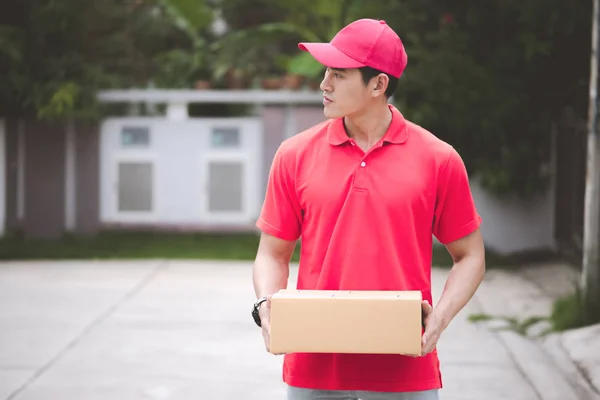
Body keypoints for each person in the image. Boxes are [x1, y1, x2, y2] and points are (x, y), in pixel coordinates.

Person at [251, 18, 486, 400]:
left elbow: (470, 255)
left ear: (378, 84)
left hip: (405, 370)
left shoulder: (438, 159)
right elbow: (272, 253)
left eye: (339, 75)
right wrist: (266, 304)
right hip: (314, 368)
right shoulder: (294, 155)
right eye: (326, 71)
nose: (324, 84)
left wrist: (439, 318)